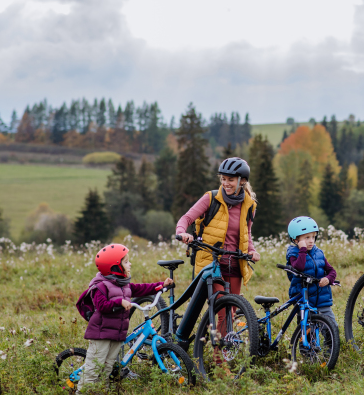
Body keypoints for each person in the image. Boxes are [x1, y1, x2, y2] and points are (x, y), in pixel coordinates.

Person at [176, 157, 260, 352]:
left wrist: (252, 250)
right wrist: (183, 232)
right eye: (223, 178)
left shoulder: (249, 205)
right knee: (223, 310)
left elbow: (246, 234)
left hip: (235, 263)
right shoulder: (211, 198)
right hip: (211, 262)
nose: (225, 183)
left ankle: (206, 343)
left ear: (242, 181)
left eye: (230, 179)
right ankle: (218, 361)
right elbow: (186, 218)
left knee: (231, 312)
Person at [77, 244, 173, 393]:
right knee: (93, 368)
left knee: (107, 368)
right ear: (115, 267)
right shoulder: (100, 286)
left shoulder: (124, 285)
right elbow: (102, 306)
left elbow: (141, 288)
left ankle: (101, 392)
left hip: (116, 334)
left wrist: (161, 285)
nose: (130, 264)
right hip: (101, 334)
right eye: (126, 261)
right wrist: (119, 302)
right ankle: (82, 392)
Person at [286, 216, 337, 325]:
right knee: (307, 331)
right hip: (304, 301)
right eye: (307, 237)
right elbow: (299, 267)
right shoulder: (293, 253)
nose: (311, 241)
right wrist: (302, 250)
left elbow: (332, 271)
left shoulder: (319, 253)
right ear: (295, 239)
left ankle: (330, 343)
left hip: (323, 301)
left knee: (332, 329)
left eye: (313, 237)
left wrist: (328, 279)